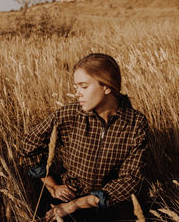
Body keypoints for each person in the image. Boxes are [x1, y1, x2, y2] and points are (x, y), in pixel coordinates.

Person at [20, 53, 148, 221]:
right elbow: (28, 145)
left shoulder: (135, 123)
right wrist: (53, 187)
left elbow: (131, 178)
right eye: (76, 87)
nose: (77, 93)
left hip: (108, 203)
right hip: (66, 198)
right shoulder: (69, 114)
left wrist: (79, 204)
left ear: (107, 87)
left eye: (84, 86)